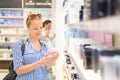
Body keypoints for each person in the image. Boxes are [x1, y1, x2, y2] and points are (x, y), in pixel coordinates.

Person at [12, 13, 59, 80]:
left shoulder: (44, 45)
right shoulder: (19, 45)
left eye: (41, 28)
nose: (39, 31)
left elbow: (46, 68)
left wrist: (53, 59)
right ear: (28, 28)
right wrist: (39, 63)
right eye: (35, 28)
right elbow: (18, 70)